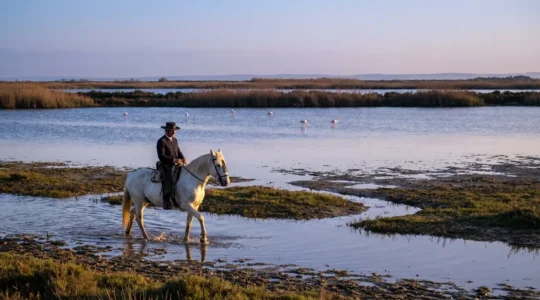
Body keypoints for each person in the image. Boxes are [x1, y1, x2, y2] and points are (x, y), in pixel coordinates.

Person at [157, 122, 187, 210]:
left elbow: (178, 151)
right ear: (166, 130)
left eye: (174, 131)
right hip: (165, 165)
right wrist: (173, 160)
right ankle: (166, 201)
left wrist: (183, 158)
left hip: (176, 164)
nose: (174, 132)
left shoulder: (175, 140)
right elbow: (161, 156)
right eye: (171, 131)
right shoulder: (161, 141)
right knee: (167, 178)